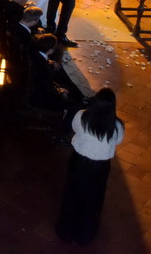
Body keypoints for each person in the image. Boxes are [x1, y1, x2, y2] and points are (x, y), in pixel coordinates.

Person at [56, 88, 125, 245]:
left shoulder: (82, 116)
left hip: (79, 161)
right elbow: (118, 140)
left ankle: (66, 231)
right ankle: (85, 234)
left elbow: (74, 128)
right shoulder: (117, 126)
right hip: (100, 167)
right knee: (93, 199)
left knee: (72, 194)